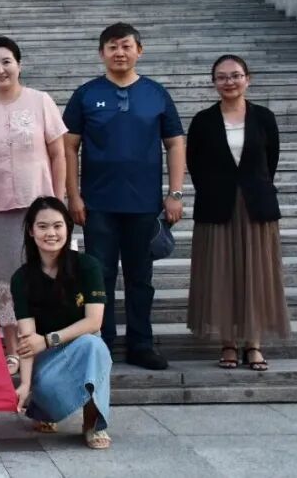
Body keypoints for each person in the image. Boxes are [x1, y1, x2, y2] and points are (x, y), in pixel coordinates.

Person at [63, 22, 185, 371]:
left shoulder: (156, 94)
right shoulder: (87, 94)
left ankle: (140, 344)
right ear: (101, 53)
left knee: (140, 278)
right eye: (112, 47)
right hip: (98, 205)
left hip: (144, 205)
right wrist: (73, 195)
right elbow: (68, 146)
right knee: (98, 277)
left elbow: (175, 143)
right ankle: (100, 343)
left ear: (139, 51)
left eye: (126, 46)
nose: (120, 53)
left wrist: (175, 193)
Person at [0, 36, 67, 376]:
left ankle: (46, 345)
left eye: (6, 61)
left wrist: (59, 201)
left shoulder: (40, 101)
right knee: (3, 282)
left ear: (19, 65)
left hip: (39, 206)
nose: (0, 69)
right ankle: (12, 350)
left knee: (45, 276)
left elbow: (58, 153)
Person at [187, 55, 290, 370]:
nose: (229, 82)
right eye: (221, 77)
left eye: (235, 75)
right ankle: (228, 343)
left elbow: (270, 161)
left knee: (256, 273)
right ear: (214, 82)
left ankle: (254, 343)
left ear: (248, 78)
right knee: (221, 273)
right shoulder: (203, 120)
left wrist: (251, 189)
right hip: (217, 206)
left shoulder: (264, 117)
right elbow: (195, 164)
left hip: (256, 206)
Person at [11, 196, 112, 450]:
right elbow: (27, 340)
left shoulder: (87, 266)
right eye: (43, 226)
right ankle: (43, 409)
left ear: (68, 228)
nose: (51, 233)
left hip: (80, 346)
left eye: (58, 226)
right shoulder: (22, 278)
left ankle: (93, 423)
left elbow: (94, 321)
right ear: (31, 231)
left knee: (94, 346)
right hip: (47, 360)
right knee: (47, 388)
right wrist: (25, 384)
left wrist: (48, 340)